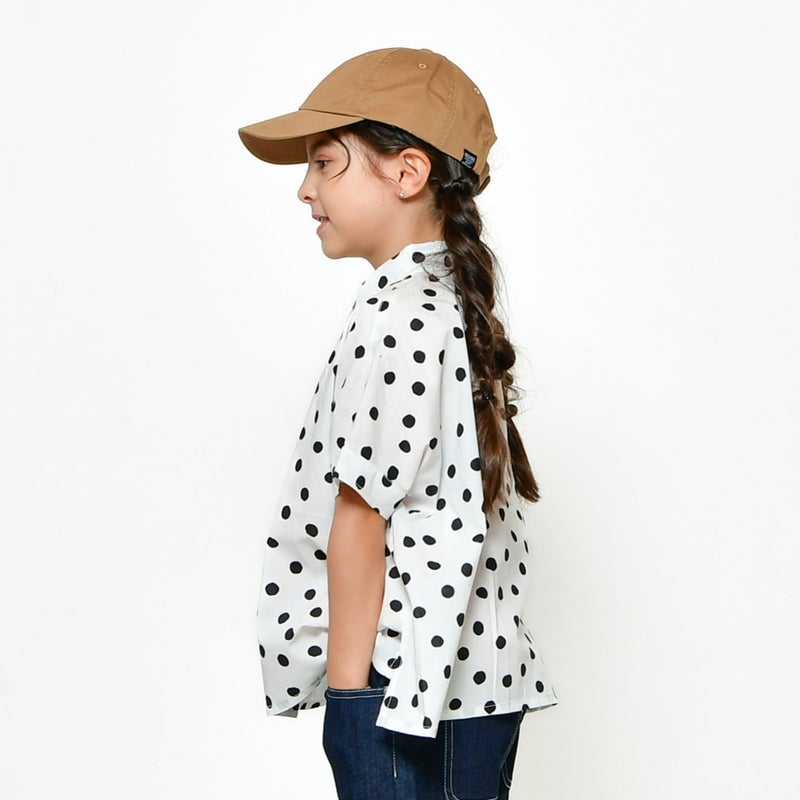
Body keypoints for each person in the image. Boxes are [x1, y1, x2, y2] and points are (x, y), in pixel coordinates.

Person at [237, 47, 558, 800]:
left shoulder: (400, 315)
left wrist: (348, 704)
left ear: (408, 173)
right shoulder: (442, 302)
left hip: (402, 689)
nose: (305, 189)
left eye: (324, 162)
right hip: (470, 681)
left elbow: (361, 515)